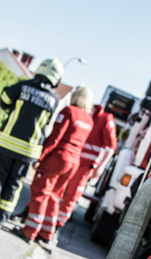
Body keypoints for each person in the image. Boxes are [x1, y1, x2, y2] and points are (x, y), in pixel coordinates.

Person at [0, 58, 63, 228]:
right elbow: (48, 124)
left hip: (8, 143)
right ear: (56, 79)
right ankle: (0, 220)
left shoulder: (23, 86)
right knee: (14, 184)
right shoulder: (54, 99)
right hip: (29, 150)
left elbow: (4, 100)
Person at [14, 86, 94, 247]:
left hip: (58, 158)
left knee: (40, 193)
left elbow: (55, 138)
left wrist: (40, 157)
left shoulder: (69, 111)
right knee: (54, 196)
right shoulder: (88, 119)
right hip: (73, 162)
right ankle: (46, 234)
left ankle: (29, 232)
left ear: (75, 96)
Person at [56, 104, 117, 230]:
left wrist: (101, 167)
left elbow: (111, 146)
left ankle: (57, 225)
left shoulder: (105, 118)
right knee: (57, 189)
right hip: (72, 158)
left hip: (85, 165)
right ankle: (49, 220)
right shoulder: (85, 114)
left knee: (72, 195)